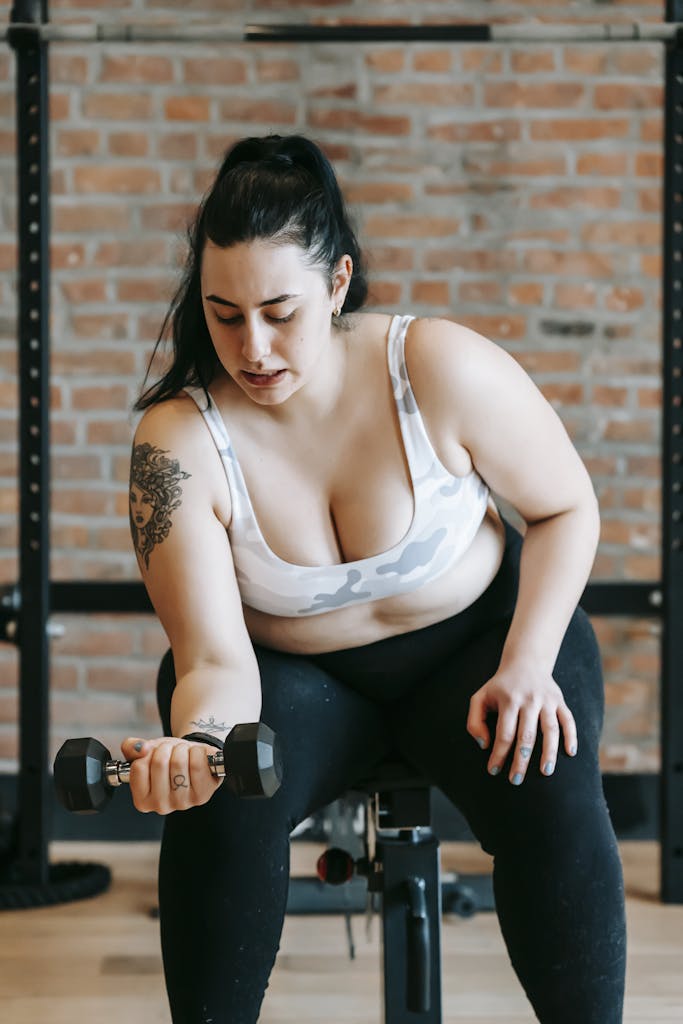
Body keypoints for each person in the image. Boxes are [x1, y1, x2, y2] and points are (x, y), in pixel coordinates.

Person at [124, 133, 626, 1023]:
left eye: (281, 311)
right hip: (295, 683)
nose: (254, 347)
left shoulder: (436, 366)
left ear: (339, 282)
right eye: (224, 313)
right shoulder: (178, 443)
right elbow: (211, 658)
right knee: (219, 797)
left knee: (550, 776)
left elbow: (564, 510)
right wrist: (200, 746)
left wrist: (529, 661)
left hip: (478, 650)